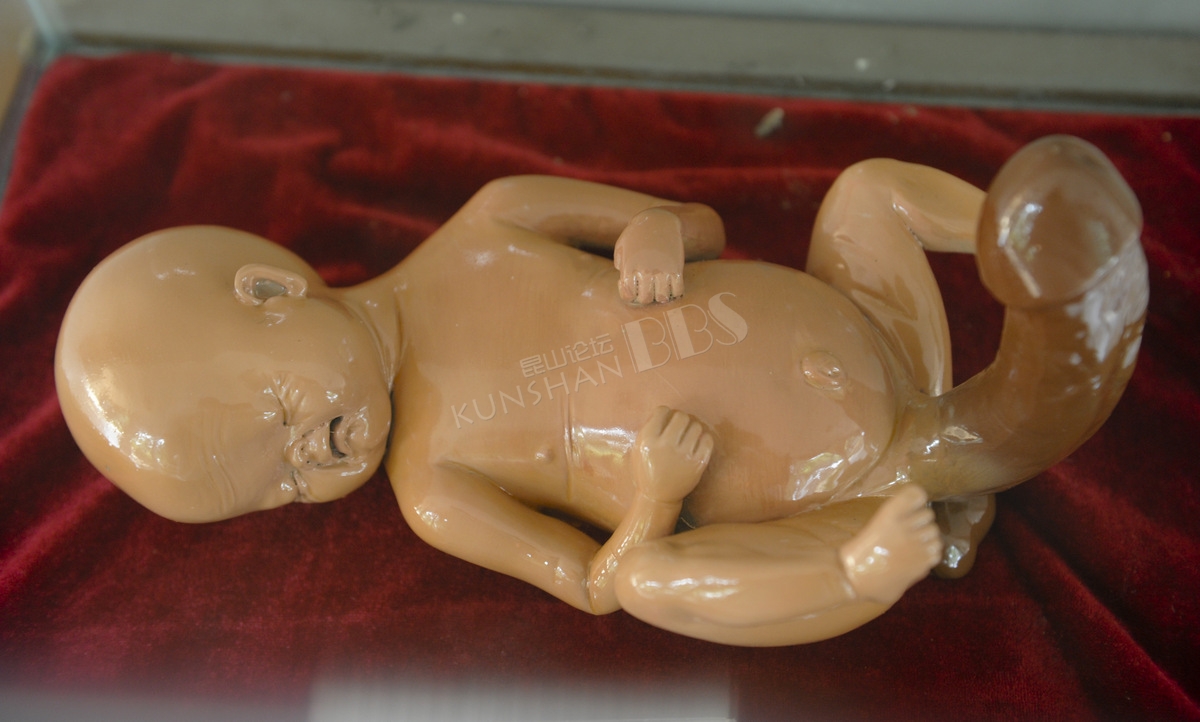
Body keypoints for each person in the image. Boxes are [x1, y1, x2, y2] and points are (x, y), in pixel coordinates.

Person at [56, 136, 1146, 645]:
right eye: (283, 485)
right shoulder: (434, 487)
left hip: (878, 337)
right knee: (657, 582)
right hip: (833, 497)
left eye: (278, 419)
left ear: (270, 290)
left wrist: (653, 232)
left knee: (868, 191)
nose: (316, 457)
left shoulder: (490, 221)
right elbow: (595, 583)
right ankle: (862, 566)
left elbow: (701, 225)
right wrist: (656, 497)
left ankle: (1030, 231)